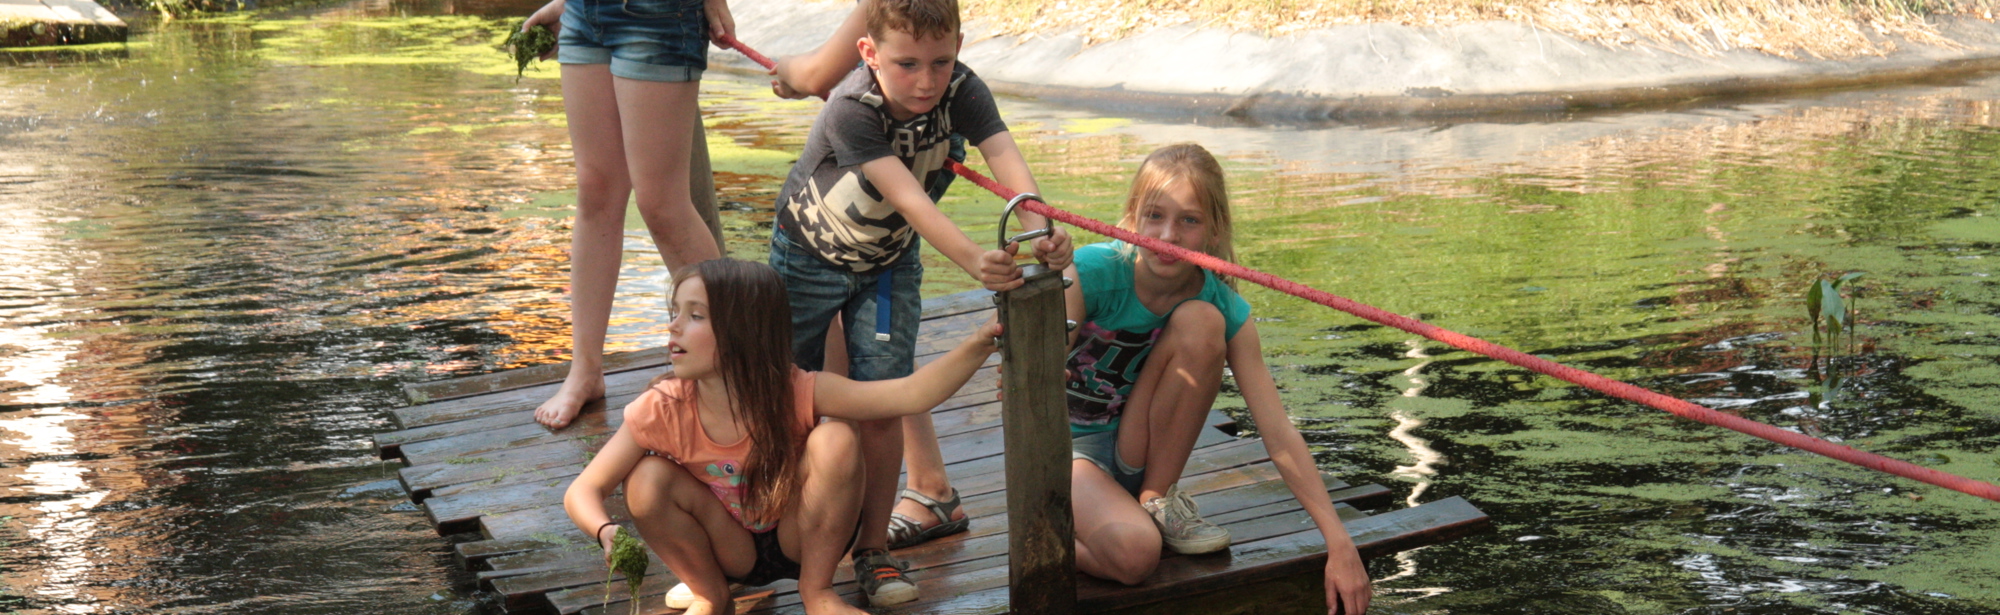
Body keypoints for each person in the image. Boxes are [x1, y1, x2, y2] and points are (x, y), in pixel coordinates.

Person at [766, 0, 1072, 604]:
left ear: (958, 48)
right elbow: (911, 201)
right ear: (869, 53)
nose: (927, 81)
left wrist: (1042, 228)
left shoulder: (963, 89)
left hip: (883, 274)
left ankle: (873, 552)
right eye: (907, 64)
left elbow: (1006, 158)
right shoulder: (852, 110)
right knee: (786, 398)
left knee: (882, 400)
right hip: (807, 263)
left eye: (941, 61)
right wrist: (974, 262)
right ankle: (768, 535)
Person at [563, 259, 1002, 615]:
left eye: (695, 316)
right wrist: (606, 532)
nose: (674, 327)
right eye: (673, 312)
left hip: (800, 533)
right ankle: (711, 595)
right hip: (729, 548)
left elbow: (908, 393)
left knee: (837, 440)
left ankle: (818, 592)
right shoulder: (662, 407)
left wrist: (982, 341)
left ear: (744, 331)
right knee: (645, 479)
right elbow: (584, 490)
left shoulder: (797, 389)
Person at [1062, 143, 1372, 614]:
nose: (1169, 234)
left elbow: (1278, 430)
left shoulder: (1224, 306)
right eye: (1155, 215)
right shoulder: (1093, 272)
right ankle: (1053, 532)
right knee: (1136, 556)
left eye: (1189, 220)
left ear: (1215, 228)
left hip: (1134, 448)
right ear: (1131, 216)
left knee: (1203, 321)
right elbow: (1030, 371)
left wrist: (1339, 541)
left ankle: (1156, 501)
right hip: (1067, 454)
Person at [520, 0, 732, 430]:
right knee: (595, 192)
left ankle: (732, 369)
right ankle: (585, 370)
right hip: (584, 13)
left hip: (659, 15)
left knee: (663, 205)